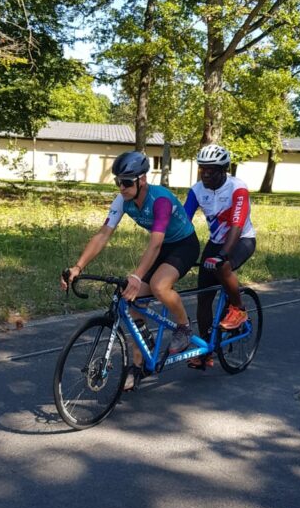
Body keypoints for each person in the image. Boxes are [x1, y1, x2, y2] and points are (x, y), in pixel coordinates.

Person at [61, 150, 199, 389]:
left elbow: (155, 244)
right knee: (131, 297)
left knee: (158, 286)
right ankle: (139, 361)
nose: (121, 187)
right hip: (161, 246)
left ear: (142, 180)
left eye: (126, 182)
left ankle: (184, 327)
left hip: (183, 245)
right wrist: (78, 266)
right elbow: (103, 235)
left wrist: (137, 275)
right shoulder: (122, 200)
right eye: (118, 182)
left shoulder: (160, 200)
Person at [184, 143, 256, 369]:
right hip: (215, 243)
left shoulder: (237, 188)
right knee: (204, 298)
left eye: (212, 170)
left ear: (224, 170)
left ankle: (239, 309)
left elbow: (237, 225)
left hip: (241, 240)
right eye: (202, 169)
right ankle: (206, 351)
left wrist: (223, 255)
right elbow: (183, 221)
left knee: (222, 267)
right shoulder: (197, 190)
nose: (206, 174)